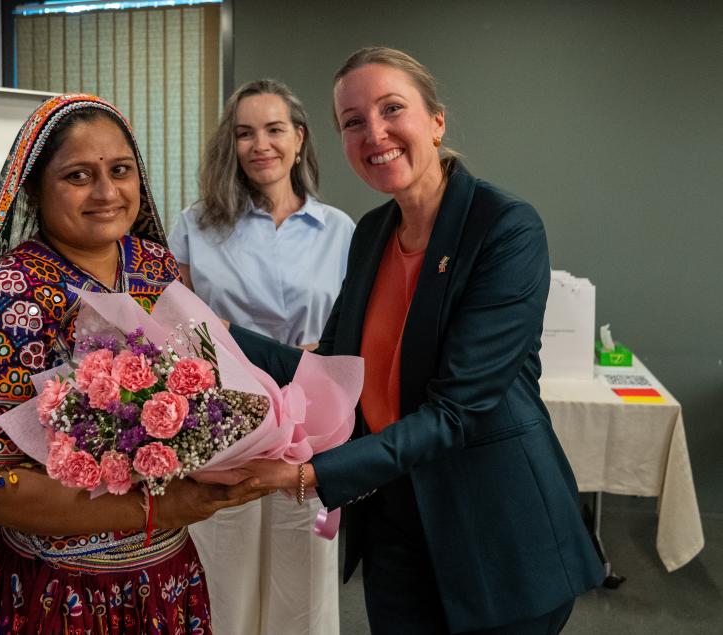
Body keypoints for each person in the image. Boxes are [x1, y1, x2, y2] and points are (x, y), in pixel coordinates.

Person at [227, 48, 604, 634]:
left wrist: (312, 477)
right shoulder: (373, 232)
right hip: (396, 522)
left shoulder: (504, 226)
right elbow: (333, 370)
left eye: (391, 108)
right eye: (353, 122)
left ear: (436, 121)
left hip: (495, 528)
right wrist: (220, 338)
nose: (373, 133)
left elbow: (456, 412)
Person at [0, 94, 264, 634]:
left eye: (121, 171)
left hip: (167, 579)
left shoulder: (156, 266)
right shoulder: (9, 293)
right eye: (78, 176)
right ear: (32, 187)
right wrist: (155, 509)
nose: (107, 192)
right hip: (53, 591)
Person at [168, 79, 353, 634]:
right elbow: (176, 322)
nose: (260, 145)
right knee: (221, 559)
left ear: (299, 139)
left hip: (312, 421)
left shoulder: (340, 230)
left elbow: (351, 330)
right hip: (223, 420)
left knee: (303, 566)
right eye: (244, 133)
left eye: (274, 130)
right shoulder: (196, 225)